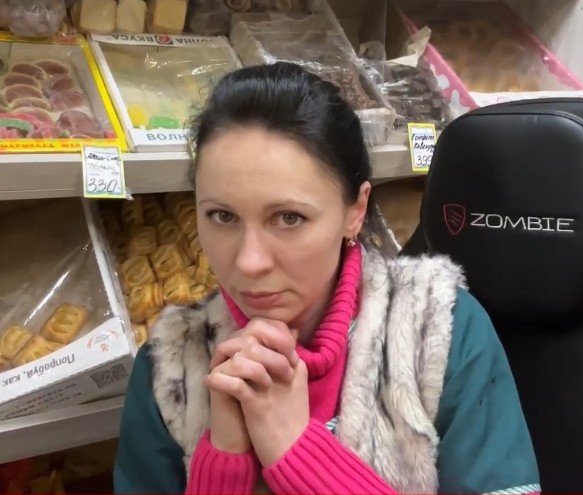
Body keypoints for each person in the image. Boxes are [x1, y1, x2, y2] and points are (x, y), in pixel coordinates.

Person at [113, 62, 540, 495]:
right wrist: (222, 467)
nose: (249, 262)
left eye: (289, 218)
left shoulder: (439, 327)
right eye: (222, 216)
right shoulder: (169, 365)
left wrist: (300, 456)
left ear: (356, 211)